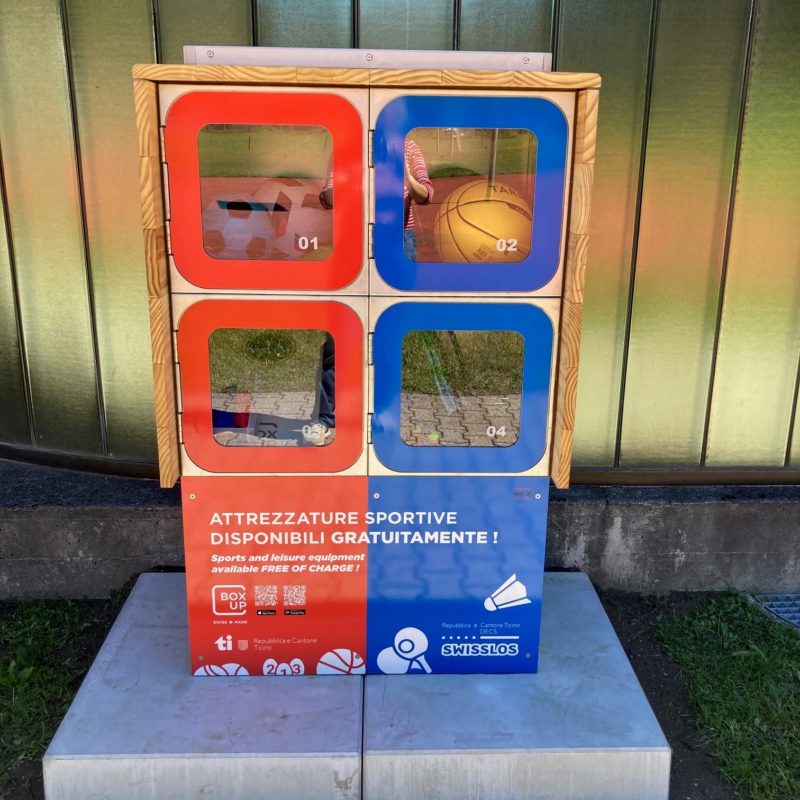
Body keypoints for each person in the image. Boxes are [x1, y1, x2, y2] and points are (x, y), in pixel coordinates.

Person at [318, 140, 434, 259]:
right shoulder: (344, 149)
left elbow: (426, 196)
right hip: (354, 236)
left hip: (399, 235)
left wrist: (408, 179)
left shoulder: (408, 146)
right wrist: (348, 182)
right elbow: (327, 201)